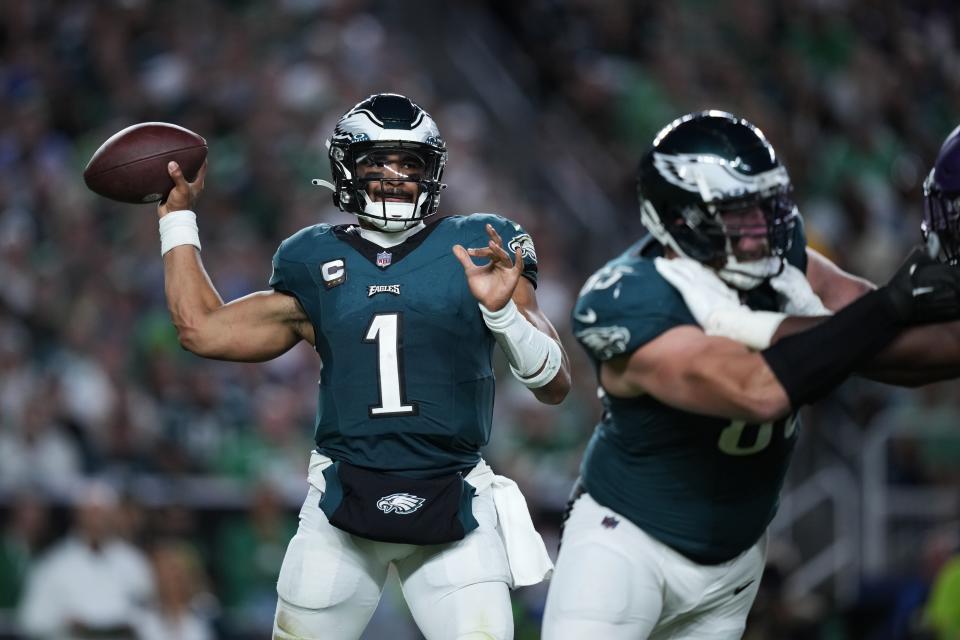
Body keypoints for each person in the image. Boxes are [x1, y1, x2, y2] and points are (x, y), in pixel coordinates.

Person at [155, 93, 571, 640]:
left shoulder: (477, 243)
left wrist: (505, 315)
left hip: (454, 500)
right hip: (342, 503)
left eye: (410, 164)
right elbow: (201, 328)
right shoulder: (310, 257)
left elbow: (555, 384)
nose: (395, 177)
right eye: (378, 161)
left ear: (434, 173)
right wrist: (177, 218)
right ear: (346, 168)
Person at [541, 110, 960, 639]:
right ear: (681, 217)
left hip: (732, 567)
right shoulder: (625, 298)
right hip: (625, 546)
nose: (763, 230)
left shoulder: (780, 261)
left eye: (767, 207)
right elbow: (756, 389)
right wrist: (895, 303)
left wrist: (914, 303)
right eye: (741, 214)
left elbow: (889, 346)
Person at [17, 480, 153, 640]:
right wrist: (63, 622)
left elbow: (153, 613)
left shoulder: (134, 562)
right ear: (77, 515)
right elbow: (30, 620)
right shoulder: (53, 564)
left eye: (101, 513)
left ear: (113, 515)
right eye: (89, 512)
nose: (95, 519)